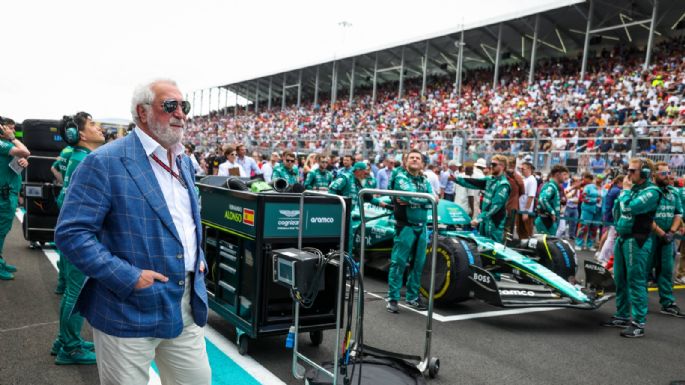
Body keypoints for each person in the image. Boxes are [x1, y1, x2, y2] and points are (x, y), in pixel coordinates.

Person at [55, 79, 211, 384]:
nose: (181, 113)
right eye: (170, 106)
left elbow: (185, 221)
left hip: (185, 303)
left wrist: (197, 256)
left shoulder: (184, 161)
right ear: (142, 112)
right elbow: (72, 233)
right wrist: (129, 277)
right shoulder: (104, 161)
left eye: (184, 106)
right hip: (127, 308)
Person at [51, 112, 106, 365]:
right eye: (93, 124)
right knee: (76, 291)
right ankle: (70, 348)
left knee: (73, 291)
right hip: (80, 238)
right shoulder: (88, 161)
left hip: (71, 233)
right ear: (80, 135)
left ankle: (65, 339)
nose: (99, 127)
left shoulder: (78, 157)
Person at [601, 158, 660, 338]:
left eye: (632, 170)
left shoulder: (652, 191)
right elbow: (618, 212)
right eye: (628, 170)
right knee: (620, 279)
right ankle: (622, 314)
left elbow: (632, 208)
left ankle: (638, 322)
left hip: (638, 239)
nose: (628, 174)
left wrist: (625, 192)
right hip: (623, 237)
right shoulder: (632, 190)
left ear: (645, 173)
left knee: (635, 281)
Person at [386, 150, 432, 313]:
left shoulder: (425, 179)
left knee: (418, 264)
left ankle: (412, 297)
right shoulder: (401, 177)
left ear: (422, 163)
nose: (414, 160)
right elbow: (407, 197)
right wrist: (424, 199)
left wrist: (419, 200)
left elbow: (433, 199)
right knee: (398, 263)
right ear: (405, 162)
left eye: (417, 158)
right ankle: (392, 298)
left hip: (422, 226)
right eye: (411, 157)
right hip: (405, 226)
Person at [648, 162, 683, 317]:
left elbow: (678, 214)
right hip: (649, 237)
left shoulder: (673, 193)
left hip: (667, 238)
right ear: (654, 175)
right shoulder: (649, 192)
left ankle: (668, 303)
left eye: (668, 172)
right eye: (663, 173)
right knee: (643, 272)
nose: (667, 176)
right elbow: (646, 218)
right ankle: (638, 303)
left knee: (667, 271)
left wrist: (671, 232)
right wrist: (662, 233)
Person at [455, 155, 511, 243]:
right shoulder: (490, 179)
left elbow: (495, 207)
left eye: (494, 164)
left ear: (502, 167)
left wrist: (479, 218)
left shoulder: (503, 185)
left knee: (493, 251)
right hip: (484, 221)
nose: (491, 166)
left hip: (494, 224)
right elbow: (474, 183)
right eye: (490, 164)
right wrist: (456, 179)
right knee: (482, 248)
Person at [0, 118, 30, 281]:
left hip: (8, 193)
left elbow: (23, 157)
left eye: (13, 129)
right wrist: (12, 138)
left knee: (3, 231)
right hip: (3, 195)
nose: (12, 131)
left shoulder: (7, 146)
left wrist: (23, 161)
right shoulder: (3, 144)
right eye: (8, 129)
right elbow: (26, 151)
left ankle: (0, 260)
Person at [50, 144, 74, 293]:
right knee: (72, 243)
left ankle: (62, 282)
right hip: (72, 200)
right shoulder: (80, 154)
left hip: (64, 196)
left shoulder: (66, 150)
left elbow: (53, 168)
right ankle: (66, 283)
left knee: (65, 242)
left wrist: (63, 183)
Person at [535, 165, 568, 235]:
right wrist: (552, 212)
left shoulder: (554, 186)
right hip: (545, 221)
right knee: (545, 244)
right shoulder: (551, 186)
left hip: (548, 221)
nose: (566, 177)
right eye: (564, 174)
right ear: (557, 174)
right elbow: (542, 199)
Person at [597, 175, 623, 265]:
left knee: (609, 237)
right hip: (612, 217)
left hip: (608, 216)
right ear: (620, 182)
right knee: (611, 239)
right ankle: (603, 258)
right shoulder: (617, 191)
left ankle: (603, 257)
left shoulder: (613, 189)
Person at [576, 173, 600, 250]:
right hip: (587, 209)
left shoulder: (601, 187)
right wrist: (595, 200)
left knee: (594, 228)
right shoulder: (587, 187)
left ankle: (590, 244)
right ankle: (579, 244)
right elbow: (584, 198)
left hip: (597, 210)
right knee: (583, 226)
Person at [517, 162, 537, 239]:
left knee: (526, 232)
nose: (521, 170)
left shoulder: (532, 180)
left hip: (526, 211)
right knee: (521, 232)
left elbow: (531, 197)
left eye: (523, 169)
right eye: (521, 169)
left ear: (529, 169)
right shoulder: (526, 179)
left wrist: (526, 211)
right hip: (521, 210)